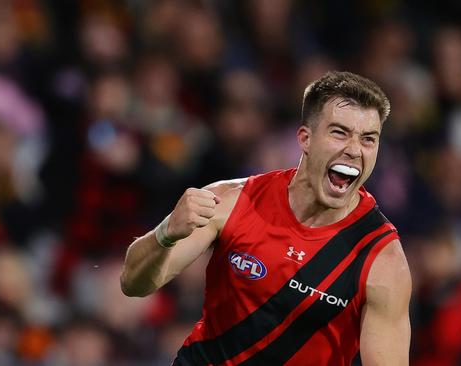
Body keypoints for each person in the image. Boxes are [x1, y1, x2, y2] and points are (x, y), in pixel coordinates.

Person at [120, 71, 411, 366]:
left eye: (368, 139)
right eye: (339, 132)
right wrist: (165, 233)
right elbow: (133, 284)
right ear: (305, 138)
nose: (353, 149)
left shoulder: (381, 259)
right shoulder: (232, 201)